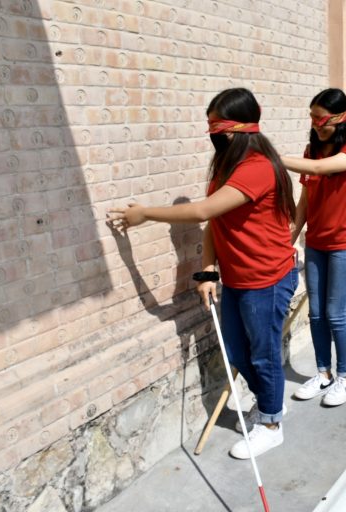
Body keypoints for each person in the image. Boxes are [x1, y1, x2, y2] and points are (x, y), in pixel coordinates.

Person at [107, 88, 297, 459]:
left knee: (263, 355)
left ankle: (272, 423)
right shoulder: (229, 166)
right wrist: (208, 269)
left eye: (216, 126)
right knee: (237, 352)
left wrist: (145, 214)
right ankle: (270, 402)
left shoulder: (257, 167)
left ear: (237, 129)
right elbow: (217, 222)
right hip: (238, 278)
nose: (212, 133)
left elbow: (202, 212)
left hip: (268, 279)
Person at [281, 88, 346, 407]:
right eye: (312, 116)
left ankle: (345, 378)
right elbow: (306, 200)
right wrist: (290, 237)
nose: (314, 123)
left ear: (339, 117)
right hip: (316, 243)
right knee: (317, 314)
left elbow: (321, 169)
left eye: (320, 117)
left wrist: (271, 157)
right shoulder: (310, 150)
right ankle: (323, 373)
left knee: (335, 313)